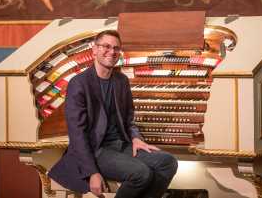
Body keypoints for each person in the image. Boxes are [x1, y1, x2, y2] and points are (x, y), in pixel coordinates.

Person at [49, 30, 178, 198]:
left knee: (168, 162)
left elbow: (128, 118)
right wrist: (92, 172)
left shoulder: (121, 81)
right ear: (94, 50)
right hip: (96, 149)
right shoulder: (79, 84)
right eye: (106, 46)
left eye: (116, 48)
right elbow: (77, 135)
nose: (112, 52)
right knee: (141, 173)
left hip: (120, 144)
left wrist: (135, 137)